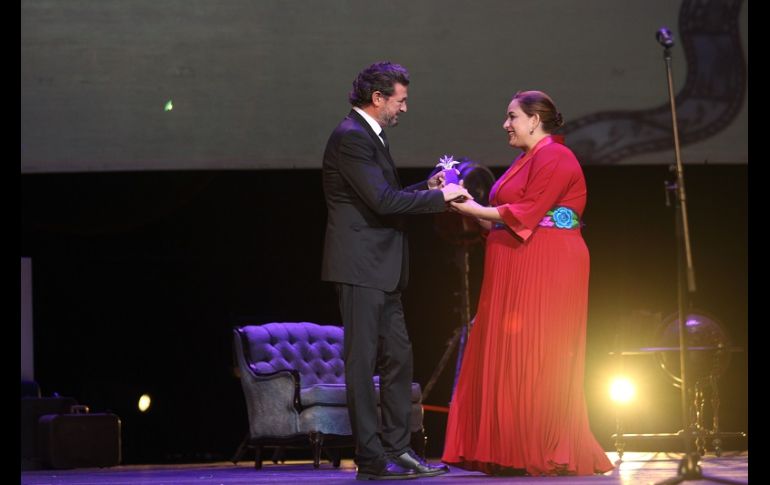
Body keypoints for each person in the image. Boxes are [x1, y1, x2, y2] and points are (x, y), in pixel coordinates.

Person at [441, 90, 614, 476]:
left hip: (547, 262)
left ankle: (544, 446)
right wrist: (463, 201)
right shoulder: (526, 159)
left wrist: (470, 206)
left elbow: (528, 213)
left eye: (512, 116)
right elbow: (502, 219)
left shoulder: (555, 155)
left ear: (535, 120)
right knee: (511, 353)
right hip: (516, 259)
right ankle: (511, 447)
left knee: (539, 355)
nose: (506, 124)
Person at [321, 61, 469, 480]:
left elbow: (382, 197)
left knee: (399, 360)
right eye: (400, 100)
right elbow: (383, 203)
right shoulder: (351, 137)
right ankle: (370, 460)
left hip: (382, 271)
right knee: (362, 363)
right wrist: (442, 200)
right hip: (360, 268)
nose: (405, 108)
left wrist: (427, 188)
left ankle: (398, 449)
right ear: (378, 99)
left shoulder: (370, 137)